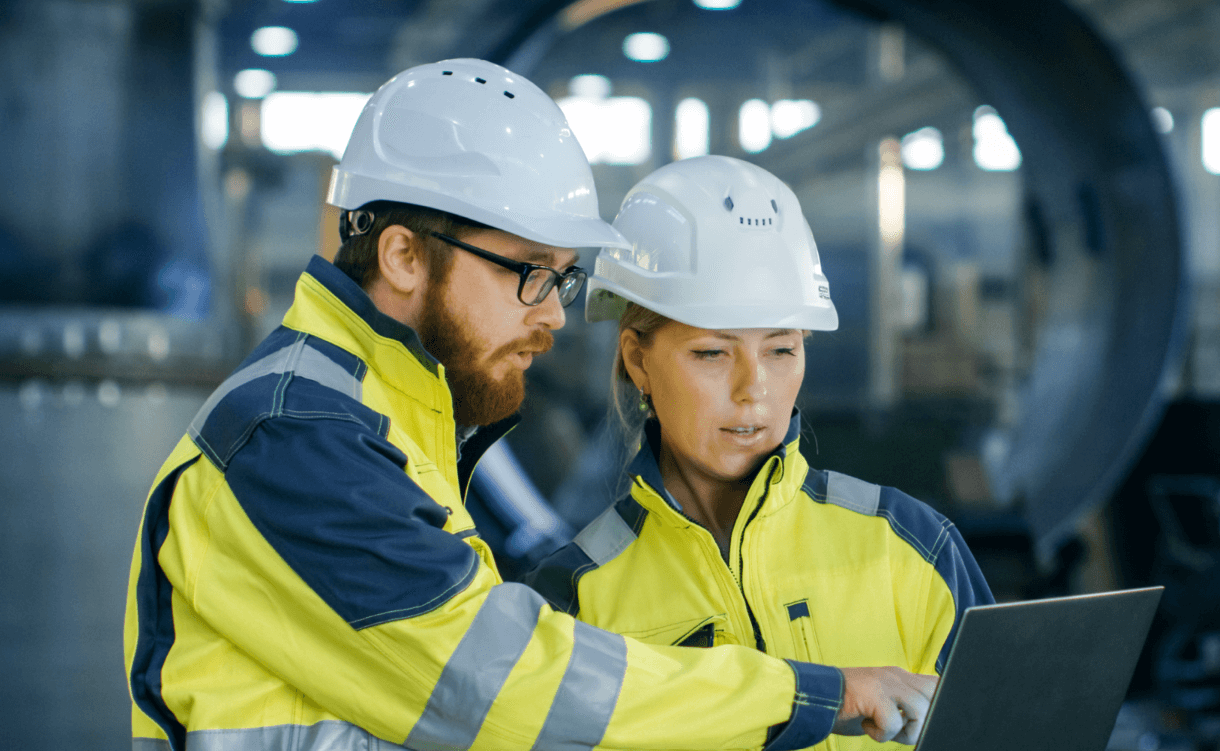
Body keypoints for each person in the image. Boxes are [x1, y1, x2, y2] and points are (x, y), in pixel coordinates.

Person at [125, 60, 937, 751]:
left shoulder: (389, 424)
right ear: (403, 255)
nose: (553, 313)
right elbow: (500, 686)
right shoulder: (295, 435)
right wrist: (810, 693)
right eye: (528, 271)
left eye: (561, 277)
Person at [525, 155, 995, 749]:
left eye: (781, 350)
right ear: (638, 361)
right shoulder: (575, 599)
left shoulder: (914, 547)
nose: (754, 389)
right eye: (712, 353)